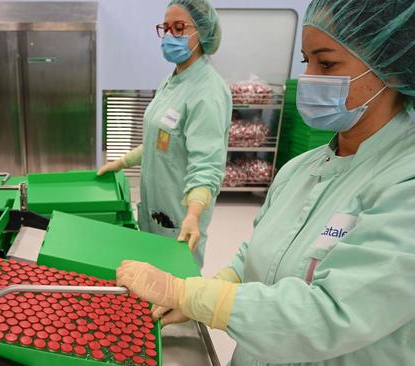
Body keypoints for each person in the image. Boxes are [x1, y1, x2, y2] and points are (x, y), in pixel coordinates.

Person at [116, 0, 415, 364]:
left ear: (394, 69)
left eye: (328, 63)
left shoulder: (404, 185)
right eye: (307, 62)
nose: (309, 78)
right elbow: (259, 255)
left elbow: (329, 315)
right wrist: (217, 285)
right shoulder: (299, 171)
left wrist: (189, 295)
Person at [98, 0, 231, 267]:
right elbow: (160, 142)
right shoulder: (171, 82)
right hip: (155, 208)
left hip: (180, 218)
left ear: (201, 33)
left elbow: (207, 165)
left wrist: (193, 215)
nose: (170, 36)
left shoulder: (208, 93)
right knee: (150, 282)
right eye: (166, 28)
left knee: (174, 287)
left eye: (179, 28)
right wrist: (122, 162)